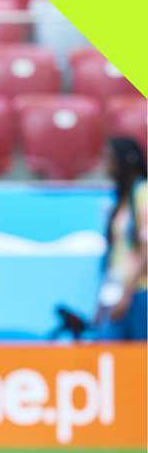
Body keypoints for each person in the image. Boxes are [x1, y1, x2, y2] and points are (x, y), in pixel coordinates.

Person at [95, 137, 147, 340]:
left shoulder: (144, 192)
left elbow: (146, 249)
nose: (105, 164)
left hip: (140, 292)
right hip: (118, 291)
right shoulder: (122, 198)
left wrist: (127, 293)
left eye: (109, 158)